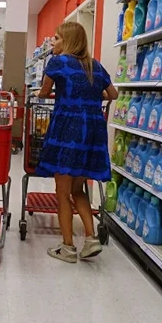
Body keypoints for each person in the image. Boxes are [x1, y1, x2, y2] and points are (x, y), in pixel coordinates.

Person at [36, 21, 118, 263]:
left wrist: (44, 94)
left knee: (62, 192)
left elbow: (43, 92)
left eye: (58, 38)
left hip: (67, 129)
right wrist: (92, 96)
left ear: (69, 42)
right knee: (78, 189)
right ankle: (91, 238)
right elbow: (112, 95)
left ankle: (68, 247)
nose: (53, 42)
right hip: (92, 131)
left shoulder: (58, 62)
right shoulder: (95, 66)